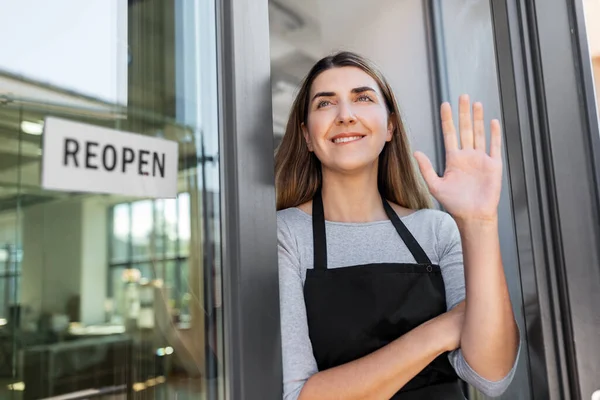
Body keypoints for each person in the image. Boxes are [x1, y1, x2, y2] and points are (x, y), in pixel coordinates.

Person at [275, 51, 521, 400]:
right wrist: (439, 331)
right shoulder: (286, 235)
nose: (346, 115)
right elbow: (299, 396)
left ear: (390, 126)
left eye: (362, 98)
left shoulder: (436, 231)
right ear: (307, 137)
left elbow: (492, 376)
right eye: (325, 104)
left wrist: (479, 222)